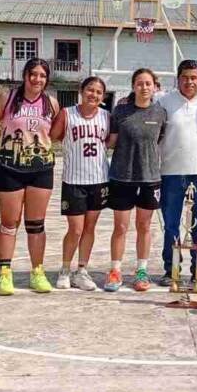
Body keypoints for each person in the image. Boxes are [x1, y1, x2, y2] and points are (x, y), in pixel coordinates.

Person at [0, 58, 58, 294]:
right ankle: (5, 273)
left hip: (41, 169)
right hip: (10, 168)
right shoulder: (7, 98)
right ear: (25, 75)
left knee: (36, 224)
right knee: (9, 223)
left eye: (42, 75)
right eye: (33, 74)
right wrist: (1, 144)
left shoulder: (51, 102)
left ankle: (37, 272)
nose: (37, 79)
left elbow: (55, 133)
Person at [105, 68, 168, 292]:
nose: (144, 87)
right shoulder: (120, 111)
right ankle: (115, 270)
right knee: (120, 227)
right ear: (133, 86)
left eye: (148, 83)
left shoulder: (160, 113)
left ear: (155, 87)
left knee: (144, 226)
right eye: (139, 83)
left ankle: (141, 270)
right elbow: (111, 141)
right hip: (122, 177)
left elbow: (158, 140)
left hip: (149, 178)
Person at [157, 59, 197, 287]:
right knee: (171, 225)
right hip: (171, 173)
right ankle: (171, 270)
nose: (189, 82)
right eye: (184, 77)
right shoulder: (164, 101)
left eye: (193, 77)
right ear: (178, 79)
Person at [49, 76, 109, 292]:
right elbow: (52, 136)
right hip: (74, 179)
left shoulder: (106, 116)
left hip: (98, 178)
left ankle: (81, 270)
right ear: (82, 91)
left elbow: (110, 141)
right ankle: (65, 269)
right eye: (90, 90)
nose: (94, 94)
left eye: (99, 92)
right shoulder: (67, 114)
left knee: (90, 228)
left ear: (103, 96)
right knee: (75, 229)